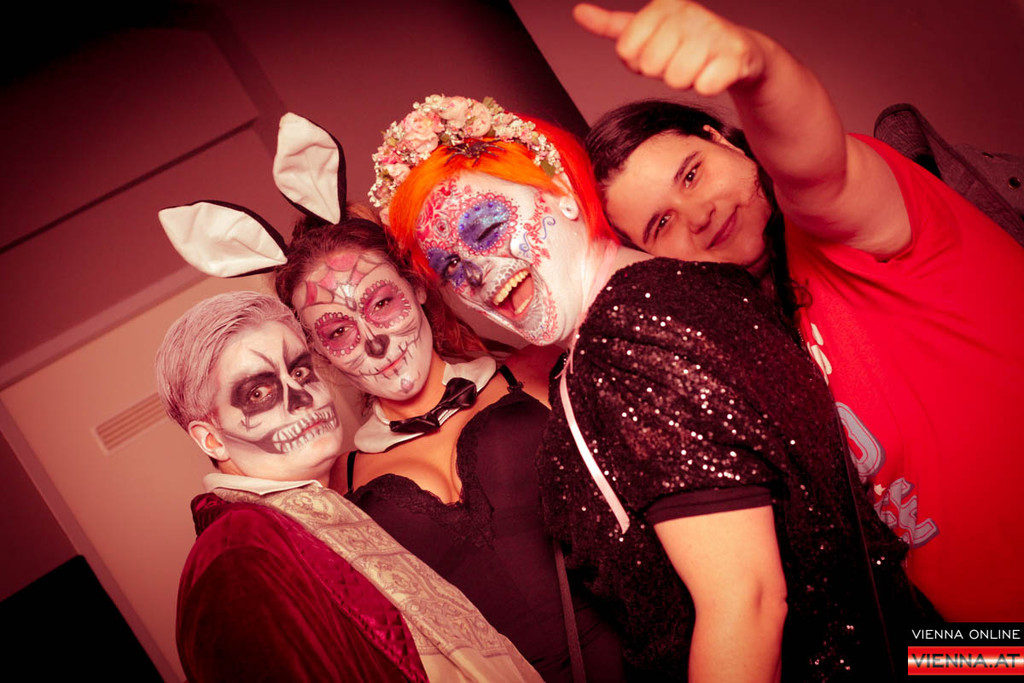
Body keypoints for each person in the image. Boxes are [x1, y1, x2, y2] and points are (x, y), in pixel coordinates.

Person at [373, 93, 927, 681]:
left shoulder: (628, 332)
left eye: (487, 228)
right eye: (452, 268)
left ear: (561, 189)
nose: (479, 274)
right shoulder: (665, 296)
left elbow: (746, 603)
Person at [577, 0, 1024, 622]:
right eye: (661, 223)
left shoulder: (845, 222)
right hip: (973, 649)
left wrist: (756, 70)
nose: (698, 215)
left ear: (722, 138)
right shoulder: (742, 342)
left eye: (692, 175)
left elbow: (817, 166)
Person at [159, 111, 624, 683]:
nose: (375, 343)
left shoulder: (537, 370)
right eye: (338, 331)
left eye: (381, 302)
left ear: (418, 286)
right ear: (317, 352)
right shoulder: (340, 483)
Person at [154, 290, 541, 682]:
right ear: (211, 440)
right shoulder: (236, 556)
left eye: (300, 372)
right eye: (259, 393)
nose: (302, 398)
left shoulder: (317, 515)